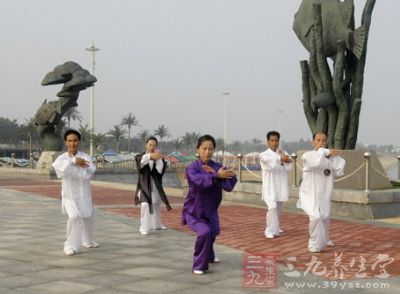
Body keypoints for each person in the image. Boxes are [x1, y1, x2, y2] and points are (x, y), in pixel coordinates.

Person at [182, 134, 237, 275]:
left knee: (212, 233)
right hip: (194, 211)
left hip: (211, 210)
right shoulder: (192, 168)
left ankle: (210, 255)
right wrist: (215, 176)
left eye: (210, 149)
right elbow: (198, 181)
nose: (207, 152)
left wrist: (219, 174)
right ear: (198, 150)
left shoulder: (217, 167)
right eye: (204, 148)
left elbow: (230, 182)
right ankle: (198, 265)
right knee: (204, 232)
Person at [52, 130, 99, 256]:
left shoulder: (85, 157)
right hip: (69, 196)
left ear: (79, 142)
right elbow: (58, 169)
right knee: (73, 216)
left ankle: (88, 241)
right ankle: (69, 245)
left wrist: (81, 164)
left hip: (84, 194)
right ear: (65, 142)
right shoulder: (62, 158)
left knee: (88, 216)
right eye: (70, 141)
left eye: (75, 140)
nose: (73, 143)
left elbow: (90, 171)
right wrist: (73, 162)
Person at [297, 132, 345, 253]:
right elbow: (316, 163)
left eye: (323, 141)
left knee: (324, 217)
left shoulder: (330, 158)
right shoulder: (308, 156)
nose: (321, 143)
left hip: (324, 193)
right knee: (315, 217)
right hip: (309, 194)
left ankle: (324, 239)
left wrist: (333, 156)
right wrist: (325, 152)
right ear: (313, 142)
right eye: (318, 140)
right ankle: (313, 243)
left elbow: (340, 169)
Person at [134, 136, 171, 235]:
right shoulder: (140, 156)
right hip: (144, 186)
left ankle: (157, 224)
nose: (152, 147)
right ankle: (143, 227)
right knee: (145, 204)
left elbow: (159, 171)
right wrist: (151, 156)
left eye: (154, 145)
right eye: (150, 145)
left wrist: (158, 159)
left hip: (155, 186)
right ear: (146, 145)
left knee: (156, 204)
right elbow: (141, 162)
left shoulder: (160, 158)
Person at [259, 131, 292, 239]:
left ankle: (276, 227)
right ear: (268, 142)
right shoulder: (263, 155)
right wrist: (279, 159)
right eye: (272, 140)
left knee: (278, 209)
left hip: (280, 185)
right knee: (272, 207)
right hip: (269, 187)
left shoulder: (282, 152)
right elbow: (270, 165)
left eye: (276, 140)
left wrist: (285, 160)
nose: (274, 143)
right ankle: (269, 230)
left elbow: (289, 166)